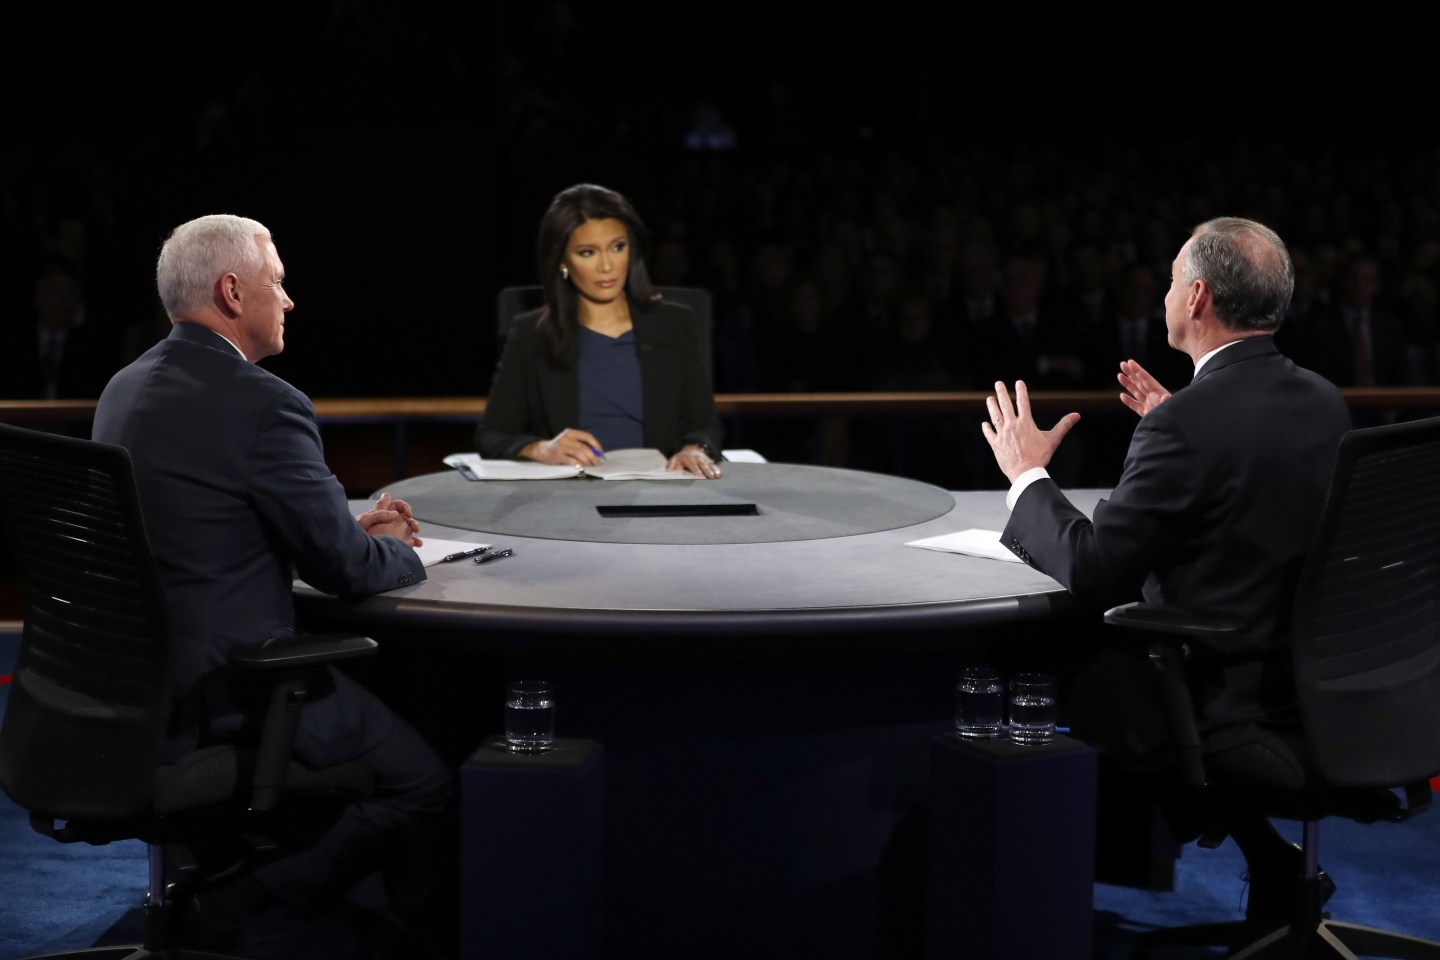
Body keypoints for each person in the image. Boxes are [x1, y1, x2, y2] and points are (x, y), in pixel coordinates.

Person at [91, 214, 452, 956]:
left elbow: (206, 524)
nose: (288, 301)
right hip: (233, 690)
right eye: (277, 283)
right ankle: (239, 899)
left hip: (133, 693)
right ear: (231, 291)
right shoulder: (266, 403)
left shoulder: (123, 390)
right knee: (423, 779)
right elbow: (346, 571)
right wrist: (409, 551)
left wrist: (348, 528)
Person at [978, 216, 1352, 927]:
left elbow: (1092, 569)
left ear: (1199, 297)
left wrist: (1028, 475)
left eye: (1175, 276)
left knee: (1040, 652)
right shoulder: (1322, 399)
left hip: (1219, 693)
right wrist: (1182, 422)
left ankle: (1024, 899)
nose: (1165, 291)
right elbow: (1253, 504)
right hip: (1312, 689)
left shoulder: (1187, 425)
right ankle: (1271, 862)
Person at [475, 183, 725, 478]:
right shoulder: (531, 333)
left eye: (617, 247)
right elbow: (491, 434)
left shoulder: (675, 324)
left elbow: (705, 424)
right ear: (562, 261)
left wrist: (695, 448)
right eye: (587, 252)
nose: (607, 266)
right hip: (568, 494)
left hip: (660, 491)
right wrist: (541, 449)